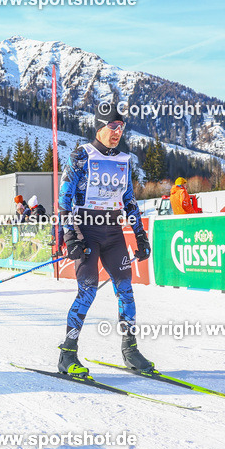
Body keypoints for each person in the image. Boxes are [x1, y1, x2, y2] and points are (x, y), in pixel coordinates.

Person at [57, 102, 152, 375]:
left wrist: (140, 235)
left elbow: (129, 200)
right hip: (86, 230)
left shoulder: (124, 160)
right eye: (112, 126)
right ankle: (68, 353)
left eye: (121, 127)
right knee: (87, 290)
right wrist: (70, 235)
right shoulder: (80, 157)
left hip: (113, 231)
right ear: (99, 127)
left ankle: (130, 349)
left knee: (126, 290)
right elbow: (64, 200)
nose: (117, 132)